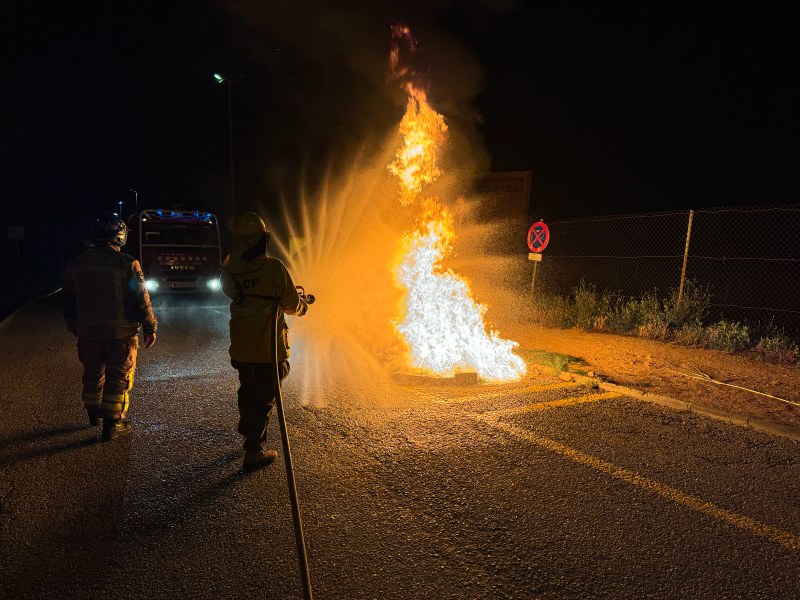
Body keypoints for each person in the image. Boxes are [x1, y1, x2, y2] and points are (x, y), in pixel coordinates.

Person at [220, 212, 308, 472]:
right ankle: (254, 451)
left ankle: (248, 425)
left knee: (248, 388)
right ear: (263, 240)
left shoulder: (229, 268)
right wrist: (303, 307)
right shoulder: (274, 268)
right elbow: (292, 305)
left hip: (241, 345)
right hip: (269, 349)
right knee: (266, 397)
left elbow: (232, 292)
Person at [63, 211, 158, 441]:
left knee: (93, 373)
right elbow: (141, 298)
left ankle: (93, 414)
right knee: (119, 378)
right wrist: (150, 326)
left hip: (87, 334)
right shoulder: (127, 263)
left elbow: (68, 300)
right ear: (120, 235)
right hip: (121, 333)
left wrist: (75, 326)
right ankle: (112, 425)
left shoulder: (77, 263)